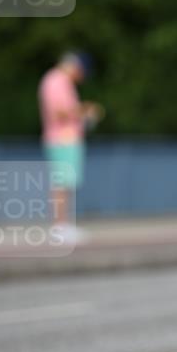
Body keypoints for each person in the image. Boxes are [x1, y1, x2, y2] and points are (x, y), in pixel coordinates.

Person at [38, 51, 103, 244]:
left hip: (65, 139)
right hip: (62, 139)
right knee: (61, 183)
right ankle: (60, 227)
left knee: (65, 183)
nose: (81, 77)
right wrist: (85, 110)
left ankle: (63, 225)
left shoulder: (59, 81)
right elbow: (58, 113)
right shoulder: (56, 81)